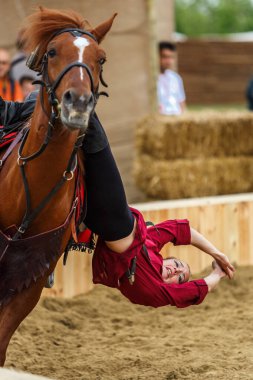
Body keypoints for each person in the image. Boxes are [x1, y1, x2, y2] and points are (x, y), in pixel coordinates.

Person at [0, 93, 235, 308]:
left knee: (88, 116)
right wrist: (217, 254)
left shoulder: (157, 292)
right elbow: (182, 231)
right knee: (74, 136)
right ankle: (23, 107)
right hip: (110, 217)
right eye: (179, 266)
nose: (175, 272)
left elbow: (193, 292)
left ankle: (35, 102)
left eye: (179, 277)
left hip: (114, 223)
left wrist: (216, 275)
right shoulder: (151, 244)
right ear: (168, 258)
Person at [157, 41, 186, 115]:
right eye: (164, 57)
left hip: (176, 117)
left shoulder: (176, 78)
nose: (168, 61)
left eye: (171, 57)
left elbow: (181, 102)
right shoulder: (152, 79)